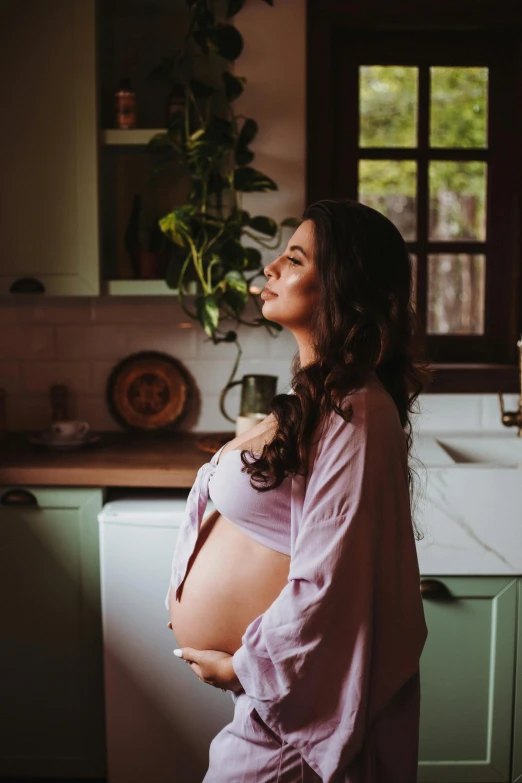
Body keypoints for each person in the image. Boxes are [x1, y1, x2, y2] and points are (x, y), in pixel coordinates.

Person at [167, 198, 431, 782]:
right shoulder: (320, 397)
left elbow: (330, 578)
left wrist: (244, 669)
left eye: (294, 258)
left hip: (294, 714)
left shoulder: (356, 412)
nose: (272, 268)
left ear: (342, 286)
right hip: (275, 703)